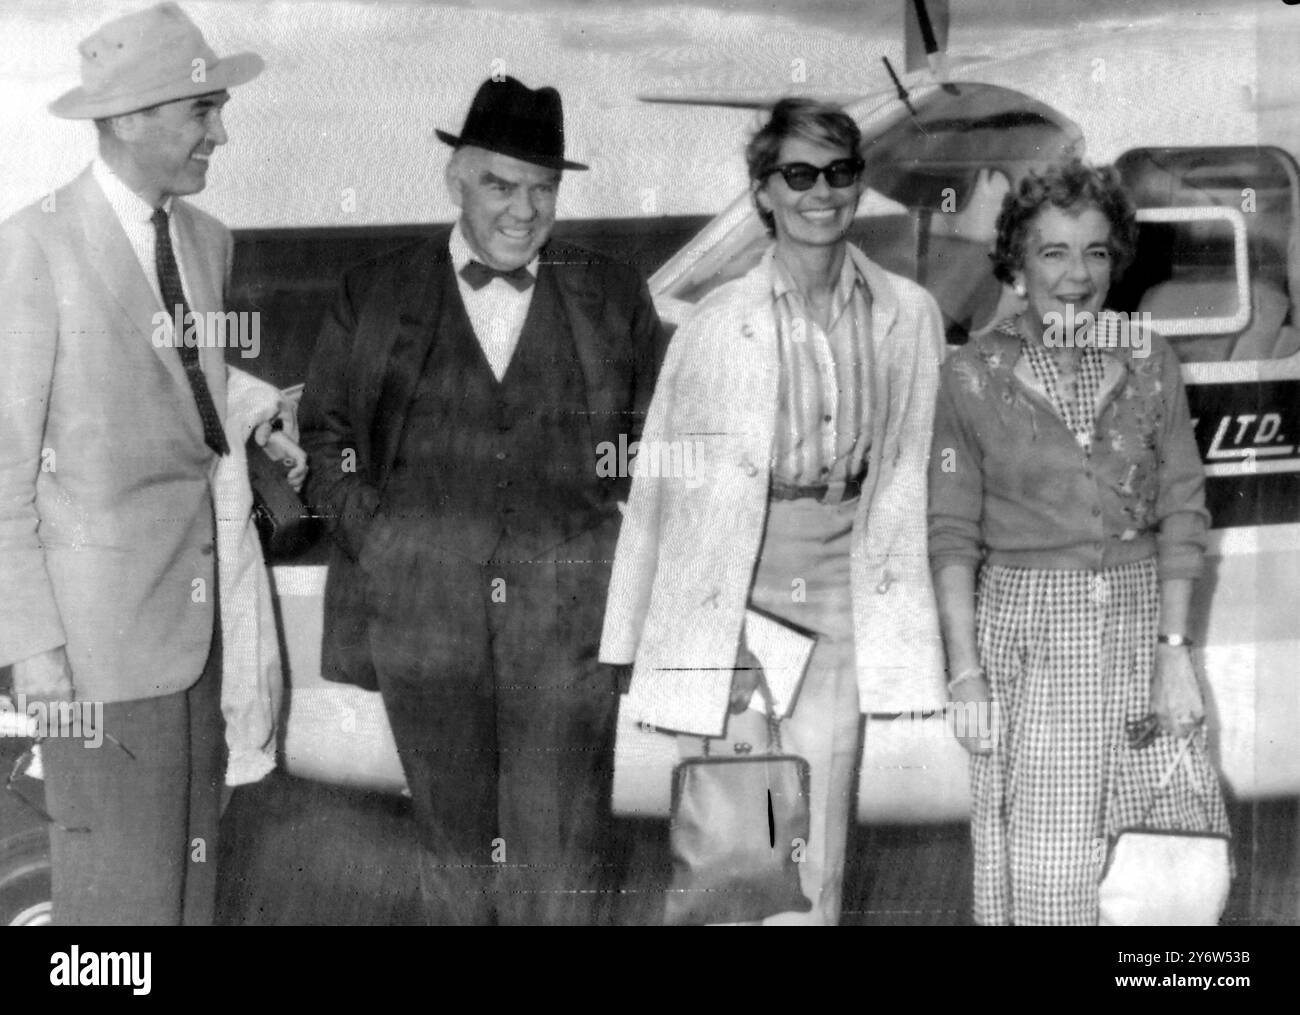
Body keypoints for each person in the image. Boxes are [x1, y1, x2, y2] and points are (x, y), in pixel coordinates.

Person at [298, 76, 665, 926]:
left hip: (569, 617)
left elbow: (659, 446)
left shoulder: (611, 291)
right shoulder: (373, 290)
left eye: (543, 188)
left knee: (565, 857)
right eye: (501, 184)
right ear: (455, 180)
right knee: (452, 856)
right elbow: (327, 441)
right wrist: (385, 546)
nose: (524, 209)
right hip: (422, 620)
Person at [600, 97, 947, 925]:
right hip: (737, 596)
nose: (820, 193)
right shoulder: (716, 323)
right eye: (798, 174)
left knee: (818, 841)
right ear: (763, 191)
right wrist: (631, 635)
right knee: (740, 843)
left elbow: (920, 471)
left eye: (839, 173)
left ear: (859, 185)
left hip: (843, 588)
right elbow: (659, 487)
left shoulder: (910, 313)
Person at [0, 2, 305, 925]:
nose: (223, 131)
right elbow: (5, 475)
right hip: (88, 661)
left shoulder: (208, 243)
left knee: (189, 898)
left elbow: (188, 396)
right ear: (128, 118)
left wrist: (258, 418)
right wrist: (35, 658)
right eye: (201, 110)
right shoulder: (32, 246)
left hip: (199, 641)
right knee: (112, 908)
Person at [928, 158, 1231, 926]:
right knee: (1052, 875)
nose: (1076, 275)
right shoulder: (970, 374)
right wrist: (965, 675)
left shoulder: (1150, 359)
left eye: (1095, 251)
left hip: (1139, 635)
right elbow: (953, 532)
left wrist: (1176, 653)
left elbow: (1183, 508)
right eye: (1053, 252)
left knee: (1165, 873)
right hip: (1032, 640)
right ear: (1017, 265)